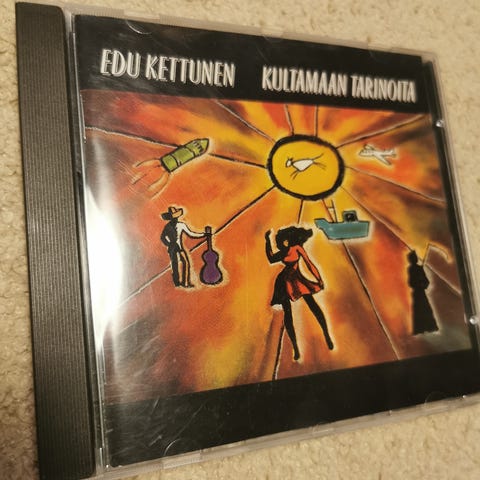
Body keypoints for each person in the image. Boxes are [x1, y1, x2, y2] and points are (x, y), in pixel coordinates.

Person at [265, 226, 334, 361]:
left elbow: (309, 264)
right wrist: (267, 241)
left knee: (313, 305)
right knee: (288, 314)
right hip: (283, 282)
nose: (281, 244)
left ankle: (327, 334)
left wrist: (319, 279)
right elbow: (271, 258)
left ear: (289, 240)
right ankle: (295, 348)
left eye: (283, 241)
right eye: (280, 242)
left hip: (297, 279)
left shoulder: (297, 248)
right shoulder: (283, 252)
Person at [161, 206, 206, 288]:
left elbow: (191, 233)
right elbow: (162, 237)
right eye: (173, 217)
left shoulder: (181, 225)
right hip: (172, 248)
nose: (175, 219)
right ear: (170, 218)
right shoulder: (167, 227)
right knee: (174, 264)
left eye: (175, 217)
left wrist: (203, 235)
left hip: (179, 247)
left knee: (186, 262)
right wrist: (169, 244)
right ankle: (177, 283)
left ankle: (185, 282)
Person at [407, 250, 439, 334]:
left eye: (415, 258)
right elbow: (410, 282)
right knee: (419, 310)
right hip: (417, 292)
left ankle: (429, 327)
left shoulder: (419, 269)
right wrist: (418, 283)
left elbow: (426, 281)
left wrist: (423, 283)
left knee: (425, 309)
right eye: (413, 258)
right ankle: (420, 328)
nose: (415, 259)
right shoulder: (411, 269)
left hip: (421, 292)